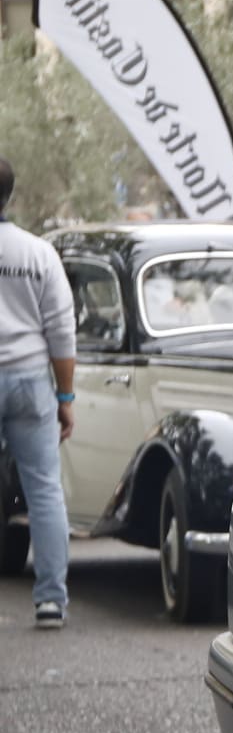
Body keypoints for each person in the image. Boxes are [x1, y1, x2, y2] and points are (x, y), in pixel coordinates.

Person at [0, 156, 75, 630]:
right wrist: (65, 399)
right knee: (44, 490)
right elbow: (61, 332)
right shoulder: (37, 253)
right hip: (30, 380)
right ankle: (50, 600)